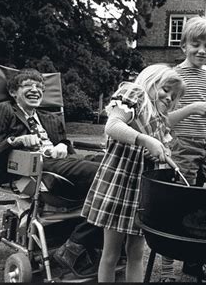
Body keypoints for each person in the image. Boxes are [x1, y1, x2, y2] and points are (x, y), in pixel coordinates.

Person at [0, 68, 113, 277]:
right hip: (34, 168)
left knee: (114, 165)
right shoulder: (6, 110)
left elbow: (65, 146)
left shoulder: (50, 117)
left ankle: (82, 244)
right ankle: (75, 246)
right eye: (28, 86)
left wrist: (62, 145)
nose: (35, 90)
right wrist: (15, 141)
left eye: (39, 87)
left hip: (61, 162)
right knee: (107, 173)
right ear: (14, 92)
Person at [80, 64, 188, 282]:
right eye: (165, 89)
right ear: (151, 80)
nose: (169, 98)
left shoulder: (158, 120)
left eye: (174, 96)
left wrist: (159, 153)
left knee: (136, 253)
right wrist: (145, 140)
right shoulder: (134, 95)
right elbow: (113, 126)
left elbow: (151, 151)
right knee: (111, 253)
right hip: (118, 186)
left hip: (142, 194)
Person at [160, 16, 206, 282]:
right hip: (179, 148)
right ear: (183, 46)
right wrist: (191, 108)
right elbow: (162, 118)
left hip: (203, 149)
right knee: (174, 208)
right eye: (196, 44)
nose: (202, 50)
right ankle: (167, 270)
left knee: (197, 210)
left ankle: (192, 264)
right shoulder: (173, 76)